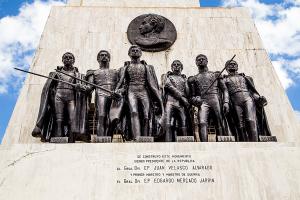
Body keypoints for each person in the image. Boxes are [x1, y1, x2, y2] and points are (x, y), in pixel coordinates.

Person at [32, 52, 88, 143]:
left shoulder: (78, 75)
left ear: (73, 60)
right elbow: (48, 88)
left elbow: (85, 89)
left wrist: (79, 87)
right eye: (65, 57)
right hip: (59, 95)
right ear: (62, 60)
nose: (68, 59)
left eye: (70, 58)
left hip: (71, 97)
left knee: (72, 118)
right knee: (59, 119)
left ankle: (71, 139)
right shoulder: (55, 73)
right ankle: (58, 137)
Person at [112, 45, 163, 140]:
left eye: (137, 50)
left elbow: (152, 84)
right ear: (129, 54)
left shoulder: (147, 67)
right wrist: (118, 90)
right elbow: (122, 83)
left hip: (143, 91)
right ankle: (137, 137)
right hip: (131, 91)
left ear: (140, 53)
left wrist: (159, 100)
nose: (135, 51)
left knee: (146, 114)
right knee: (134, 112)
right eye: (133, 50)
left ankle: (146, 137)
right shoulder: (124, 68)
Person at [223, 60, 271, 141]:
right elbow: (225, 92)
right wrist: (226, 102)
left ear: (237, 66)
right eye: (230, 64)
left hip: (247, 98)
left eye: (234, 64)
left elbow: (252, 91)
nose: (232, 65)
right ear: (226, 68)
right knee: (239, 124)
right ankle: (243, 141)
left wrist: (259, 98)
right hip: (235, 101)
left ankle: (254, 142)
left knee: (250, 120)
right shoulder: (224, 79)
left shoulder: (246, 78)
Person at [188, 54, 229, 142]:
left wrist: (226, 102)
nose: (201, 60)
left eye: (203, 59)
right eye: (199, 59)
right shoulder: (194, 79)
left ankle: (223, 144)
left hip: (215, 99)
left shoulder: (216, 74)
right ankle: (204, 145)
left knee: (219, 121)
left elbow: (225, 89)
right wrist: (195, 100)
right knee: (202, 122)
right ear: (196, 63)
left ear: (207, 61)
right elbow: (191, 96)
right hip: (203, 102)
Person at [86, 50, 119, 138]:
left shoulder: (116, 72)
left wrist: (119, 91)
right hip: (101, 93)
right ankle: (101, 137)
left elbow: (120, 85)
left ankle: (109, 137)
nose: (104, 56)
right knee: (101, 116)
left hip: (113, 94)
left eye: (106, 55)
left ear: (109, 58)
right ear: (98, 59)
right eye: (101, 55)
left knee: (111, 118)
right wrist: (81, 87)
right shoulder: (93, 73)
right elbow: (89, 88)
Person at [161, 60, 191, 142]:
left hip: (181, 104)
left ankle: (185, 143)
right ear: (171, 67)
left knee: (184, 122)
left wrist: (185, 81)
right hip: (170, 102)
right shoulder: (168, 77)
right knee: (168, 122)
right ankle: (167, 142)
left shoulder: (184, 78)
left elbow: (187, 92)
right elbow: (168, 86)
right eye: (174, 65)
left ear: (181, 67)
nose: (176, 66)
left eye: (178, 65)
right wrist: (182, 98)